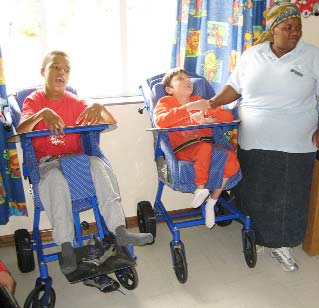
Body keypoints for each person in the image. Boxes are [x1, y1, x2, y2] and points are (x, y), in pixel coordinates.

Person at [209, 2, 319, 272]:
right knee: (255, 190)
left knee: (289, 195)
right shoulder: (252, 55)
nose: (295, 32)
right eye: (288, 27)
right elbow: (234, 88)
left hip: (295, 140)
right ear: (273, 29)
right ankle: (257, 235)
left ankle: (283, 245)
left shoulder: (314, 56)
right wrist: (211, 104)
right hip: (253, 138)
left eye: (298, 28)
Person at [16, 50, 153, 290]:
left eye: (66, 69)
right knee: (56, 182)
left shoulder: (75, 102)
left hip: (77, 161)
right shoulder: (35, 100)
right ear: (43, 72)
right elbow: (21, 129)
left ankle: (119, 231)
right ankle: (66, 246)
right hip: (49, 162)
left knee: (100, 166)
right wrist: (44, 113)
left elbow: (112, 123)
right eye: (55, 67)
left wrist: (98, 106)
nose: (62, 73)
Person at [153, 68, 240, 228]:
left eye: (188, 78)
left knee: (230, 157)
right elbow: (160, 121)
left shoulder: (200, 100)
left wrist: (209, 120)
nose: (188, 81)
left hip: (207, 146)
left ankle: (212, 202)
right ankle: (200, 189)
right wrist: (189, 108)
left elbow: (228, 117)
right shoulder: (165, 103)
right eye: (181, 79)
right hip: (183, 150)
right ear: (169, 90)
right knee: (205, 149)